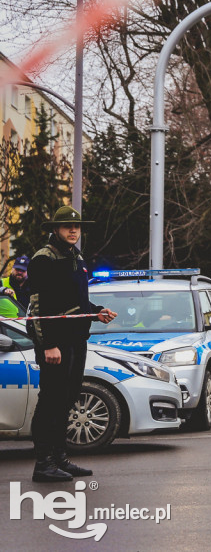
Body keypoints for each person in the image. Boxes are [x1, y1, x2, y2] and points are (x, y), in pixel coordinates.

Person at [26, 206, 117, 482]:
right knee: (51, 401)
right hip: (56, 344)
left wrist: (96, 311)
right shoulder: (44, 259)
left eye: (76, 227)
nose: (73, 230)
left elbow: (75, 300)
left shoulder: (75, 256)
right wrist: (48, 344)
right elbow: (39, 306)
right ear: (56, 229)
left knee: (66, 399)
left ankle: (60, 458)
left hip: (77, 339)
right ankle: (43, 464)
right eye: (67, 226)